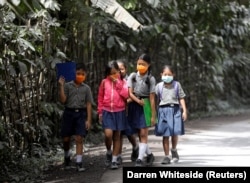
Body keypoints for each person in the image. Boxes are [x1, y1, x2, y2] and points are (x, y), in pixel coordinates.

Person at [58, 63, 93, 172]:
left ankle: (79, 162)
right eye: (78, 74)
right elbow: (63, 101)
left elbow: (88, 104)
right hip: (69, 113)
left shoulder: (86, 88)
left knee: (79, 138)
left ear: (85, 75)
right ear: (74, 74)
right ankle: (67, 156)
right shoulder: (68, 86)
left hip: (81, 114)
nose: (80, 76)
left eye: (83, 74)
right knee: (66, 138)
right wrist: (61, 86)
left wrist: (88, 120)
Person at [97, 60, 129, 170]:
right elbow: (100, 98)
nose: (114, 75)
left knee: (117, 136)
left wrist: (118, 84)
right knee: (108, 134)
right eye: (111, 73)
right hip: (107, 111)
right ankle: (109, 151)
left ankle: (114, 160)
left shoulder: (123, 82)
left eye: (116, 72)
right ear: (107, 73)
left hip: (119, 111)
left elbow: (125, 95)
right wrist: (100, 112)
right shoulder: (104, 82)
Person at [127, 53, 156, 167]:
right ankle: (149, 154)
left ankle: (139, 159)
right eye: (139, 63)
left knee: (144, 133)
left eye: (143, 64)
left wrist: (153, 115)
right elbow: (130, 92)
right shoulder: (133, 76)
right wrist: (137, 101)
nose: (140, 66)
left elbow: (152, 97)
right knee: (139, 134)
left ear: (148, 65)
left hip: (146, 105)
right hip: (134, 105)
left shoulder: (150, 78)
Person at [155, 65, 187, 164]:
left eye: (169, 74)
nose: (167, 76)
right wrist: (154, 114)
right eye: (165, 74)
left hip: (175, 110)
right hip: (163, 111)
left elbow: (181, 97)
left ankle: (173, 150)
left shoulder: (177, 85)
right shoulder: (159, 86)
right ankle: (166, 156)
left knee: (174, 133)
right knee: (165, 135)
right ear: (161, 75)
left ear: (173, 75)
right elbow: (155, 100)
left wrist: (184, 111)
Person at [116, 59, 139, 164]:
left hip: (128, 110)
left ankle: (135, 147)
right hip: (117, 111)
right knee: (118, 133)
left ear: (125, 69)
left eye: (122, 69)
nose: (120, 71)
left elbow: (134, 94)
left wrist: (126, 101)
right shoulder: (113, 80)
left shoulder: (131, 80)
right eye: (118, 69)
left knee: (129, 132)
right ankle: (119, 156)